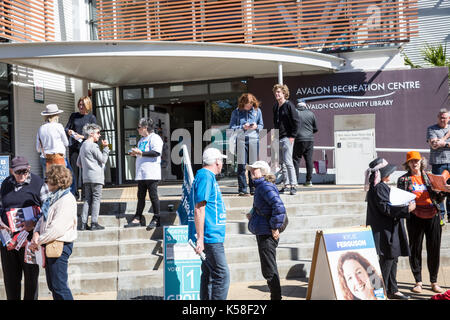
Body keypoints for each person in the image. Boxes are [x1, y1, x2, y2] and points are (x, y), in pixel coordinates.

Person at [365, 157, 414, 300]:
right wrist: (407, 209)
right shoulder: (379, 187)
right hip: (384, 230)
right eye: (388, 172)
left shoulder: (380, 186)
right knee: (387, 259)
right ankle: (381, 292)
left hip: (389, 228)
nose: (390, 174)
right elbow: (386, 208)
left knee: (393, 258)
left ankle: (393, 289)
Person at [397, 151, 446, 294]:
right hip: (414, 216)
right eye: (411, 161)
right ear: (407, 164)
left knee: (434, 249)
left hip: (433, 215)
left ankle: (434, 281)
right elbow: (401, 199)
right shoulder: (404, 179)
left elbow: (439, 197)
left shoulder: (429, 177)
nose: (415, 163)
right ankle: (418, 281)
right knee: (415, 249)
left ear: (421, 162)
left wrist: (442, 191)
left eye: (417, 160)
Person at [0, 156, 49, 300]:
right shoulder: (5, 184)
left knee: (31, 282)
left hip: (29, 242)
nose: (22, 175)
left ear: (29, 169)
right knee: (10, 281)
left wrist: (33, 224)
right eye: (18, 172)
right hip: (8, 241)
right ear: (11, 171)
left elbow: (48, 211)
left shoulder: (39, 184)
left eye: (25, 171)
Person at [29, 165, 77, 300]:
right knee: (54, 285)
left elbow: (57, 229)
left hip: (59, 245)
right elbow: (43, 219)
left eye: (47, 179)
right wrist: (36, 232)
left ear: (56, 181)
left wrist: (38, 240)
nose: (45, 182)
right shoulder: (54, 197)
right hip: (50, 244)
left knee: (59, 286)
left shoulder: (66, 199)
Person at [192, 147, 230, 300]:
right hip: (210, 236)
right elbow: (199, 209)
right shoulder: (206, 176)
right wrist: (200, 238)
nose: (222, 163)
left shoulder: (207, 177)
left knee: (210, 275)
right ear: (216, 162)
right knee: (222, 275)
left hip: (213, 235)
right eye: (221, 160)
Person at [246, 160, 286, 300]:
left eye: (254, 169)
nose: (251, 171)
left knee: (269, 269)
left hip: (267, 232)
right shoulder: (261, 186)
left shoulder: (264, 186)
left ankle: (276, 297)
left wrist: (275, 227)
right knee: (268, 267)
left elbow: (279, 206)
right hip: (263, 229)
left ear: (263, 172)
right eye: (251, 169)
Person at [126, 118, 163, 230]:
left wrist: (140, 153)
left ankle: (157, 217)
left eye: (139, 127)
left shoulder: (155, 138)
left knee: (153, 196)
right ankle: (138, 216)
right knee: (140, 196)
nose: (137, 129)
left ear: (145, 127)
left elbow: (156, 153)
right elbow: (142, 154)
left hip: (151, 172)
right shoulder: (141, 140)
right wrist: (135, 153)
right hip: (141, 173)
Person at [76, 123, 110, 231]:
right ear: (91, 134)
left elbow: (78, 163)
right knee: (96, 199)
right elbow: (103, 159)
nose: (99, 135)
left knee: (87, 199)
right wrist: (106, 148)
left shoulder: (83, 146)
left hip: (86, 177)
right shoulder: (93, 146)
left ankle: (83, 223)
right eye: (98, 133)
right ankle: (94, 223)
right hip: (96, 177)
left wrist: (87, 166)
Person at [229, 93, 264, 196]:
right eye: (247, 104)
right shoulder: (236, 112)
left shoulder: (257, 111)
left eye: (251, 104)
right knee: (241, 165)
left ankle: (253, 188)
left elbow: (261, 125)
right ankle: (242, 189)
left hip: (253, 139)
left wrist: (257, 126)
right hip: (241, 140)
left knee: (253, 165)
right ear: (242, 103)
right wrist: (242, 127)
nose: (249, 106)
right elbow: (231, 128)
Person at [65, 96, 97, 200]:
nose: (81, 106)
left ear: (88, 105)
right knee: (73, 171)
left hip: (85, 147)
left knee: (85, 171)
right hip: (74, 147)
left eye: (83, 104)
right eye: (80, 104)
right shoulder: (74, 116)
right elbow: (67, 127)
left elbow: (94, 133)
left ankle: (85, 195)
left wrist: (82, 136)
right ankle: (74, 194)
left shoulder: (91, 118)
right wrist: (69, 131)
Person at [272, 84, 300, 195]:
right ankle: (286, 185)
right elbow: (276, 123)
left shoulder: (289, 105)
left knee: (288, 162)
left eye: (279, 92)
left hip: (288, 137)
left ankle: (293, 185)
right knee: (282, 163)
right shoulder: (275, 106)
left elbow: (296, 121)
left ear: (284, 93)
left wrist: (292, 136)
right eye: (275, 92)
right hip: (279, 137)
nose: (277, 94)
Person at [426, 108, 450, 224]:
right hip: (438, 163)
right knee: (439, 190)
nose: (442, 119)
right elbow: (434, 145)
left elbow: (439, 143)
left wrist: (443, 143)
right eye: (440, 117)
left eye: (444, 117)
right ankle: (441, 216)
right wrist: (446, 138)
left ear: (448, 119)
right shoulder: (431, 129)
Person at [36, 104, 69, 175]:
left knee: (49, 182)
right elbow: (66, 143)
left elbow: (38, 149)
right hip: (58, 158)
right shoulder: (59, 126)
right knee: (63, 181)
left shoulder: (41, 128)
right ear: (56, 115)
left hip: (45, 158)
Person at [292, 100, 318, 187]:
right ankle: (308, 181)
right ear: (305, 105)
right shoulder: (311, 114)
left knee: (296, 160)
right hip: (310, 139)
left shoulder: (295, 113)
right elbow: (315, 128)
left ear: (297, 105)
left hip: (298, 139)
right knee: (309, 160)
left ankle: (295, 181)